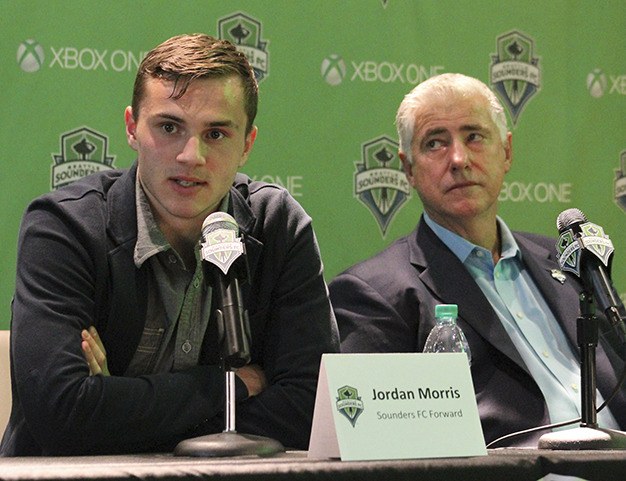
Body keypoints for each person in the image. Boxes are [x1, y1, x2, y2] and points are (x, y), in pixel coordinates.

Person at [1, 33, 339, 456]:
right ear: (131, 128)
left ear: (247, 145)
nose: (190, 156)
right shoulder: (64, 227)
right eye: (169, 127)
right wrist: (229, 385)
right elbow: (63, 413)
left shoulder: (278, 226)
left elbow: (311, 408)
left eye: (216, 134)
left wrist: (119, 405)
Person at [329, 73, 626, 447]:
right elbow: (376, 446)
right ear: (408, 169)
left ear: (506, 152)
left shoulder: (570, 262)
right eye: (435, 143)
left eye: (474, 137)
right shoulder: (373, 295)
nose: (458, 159)